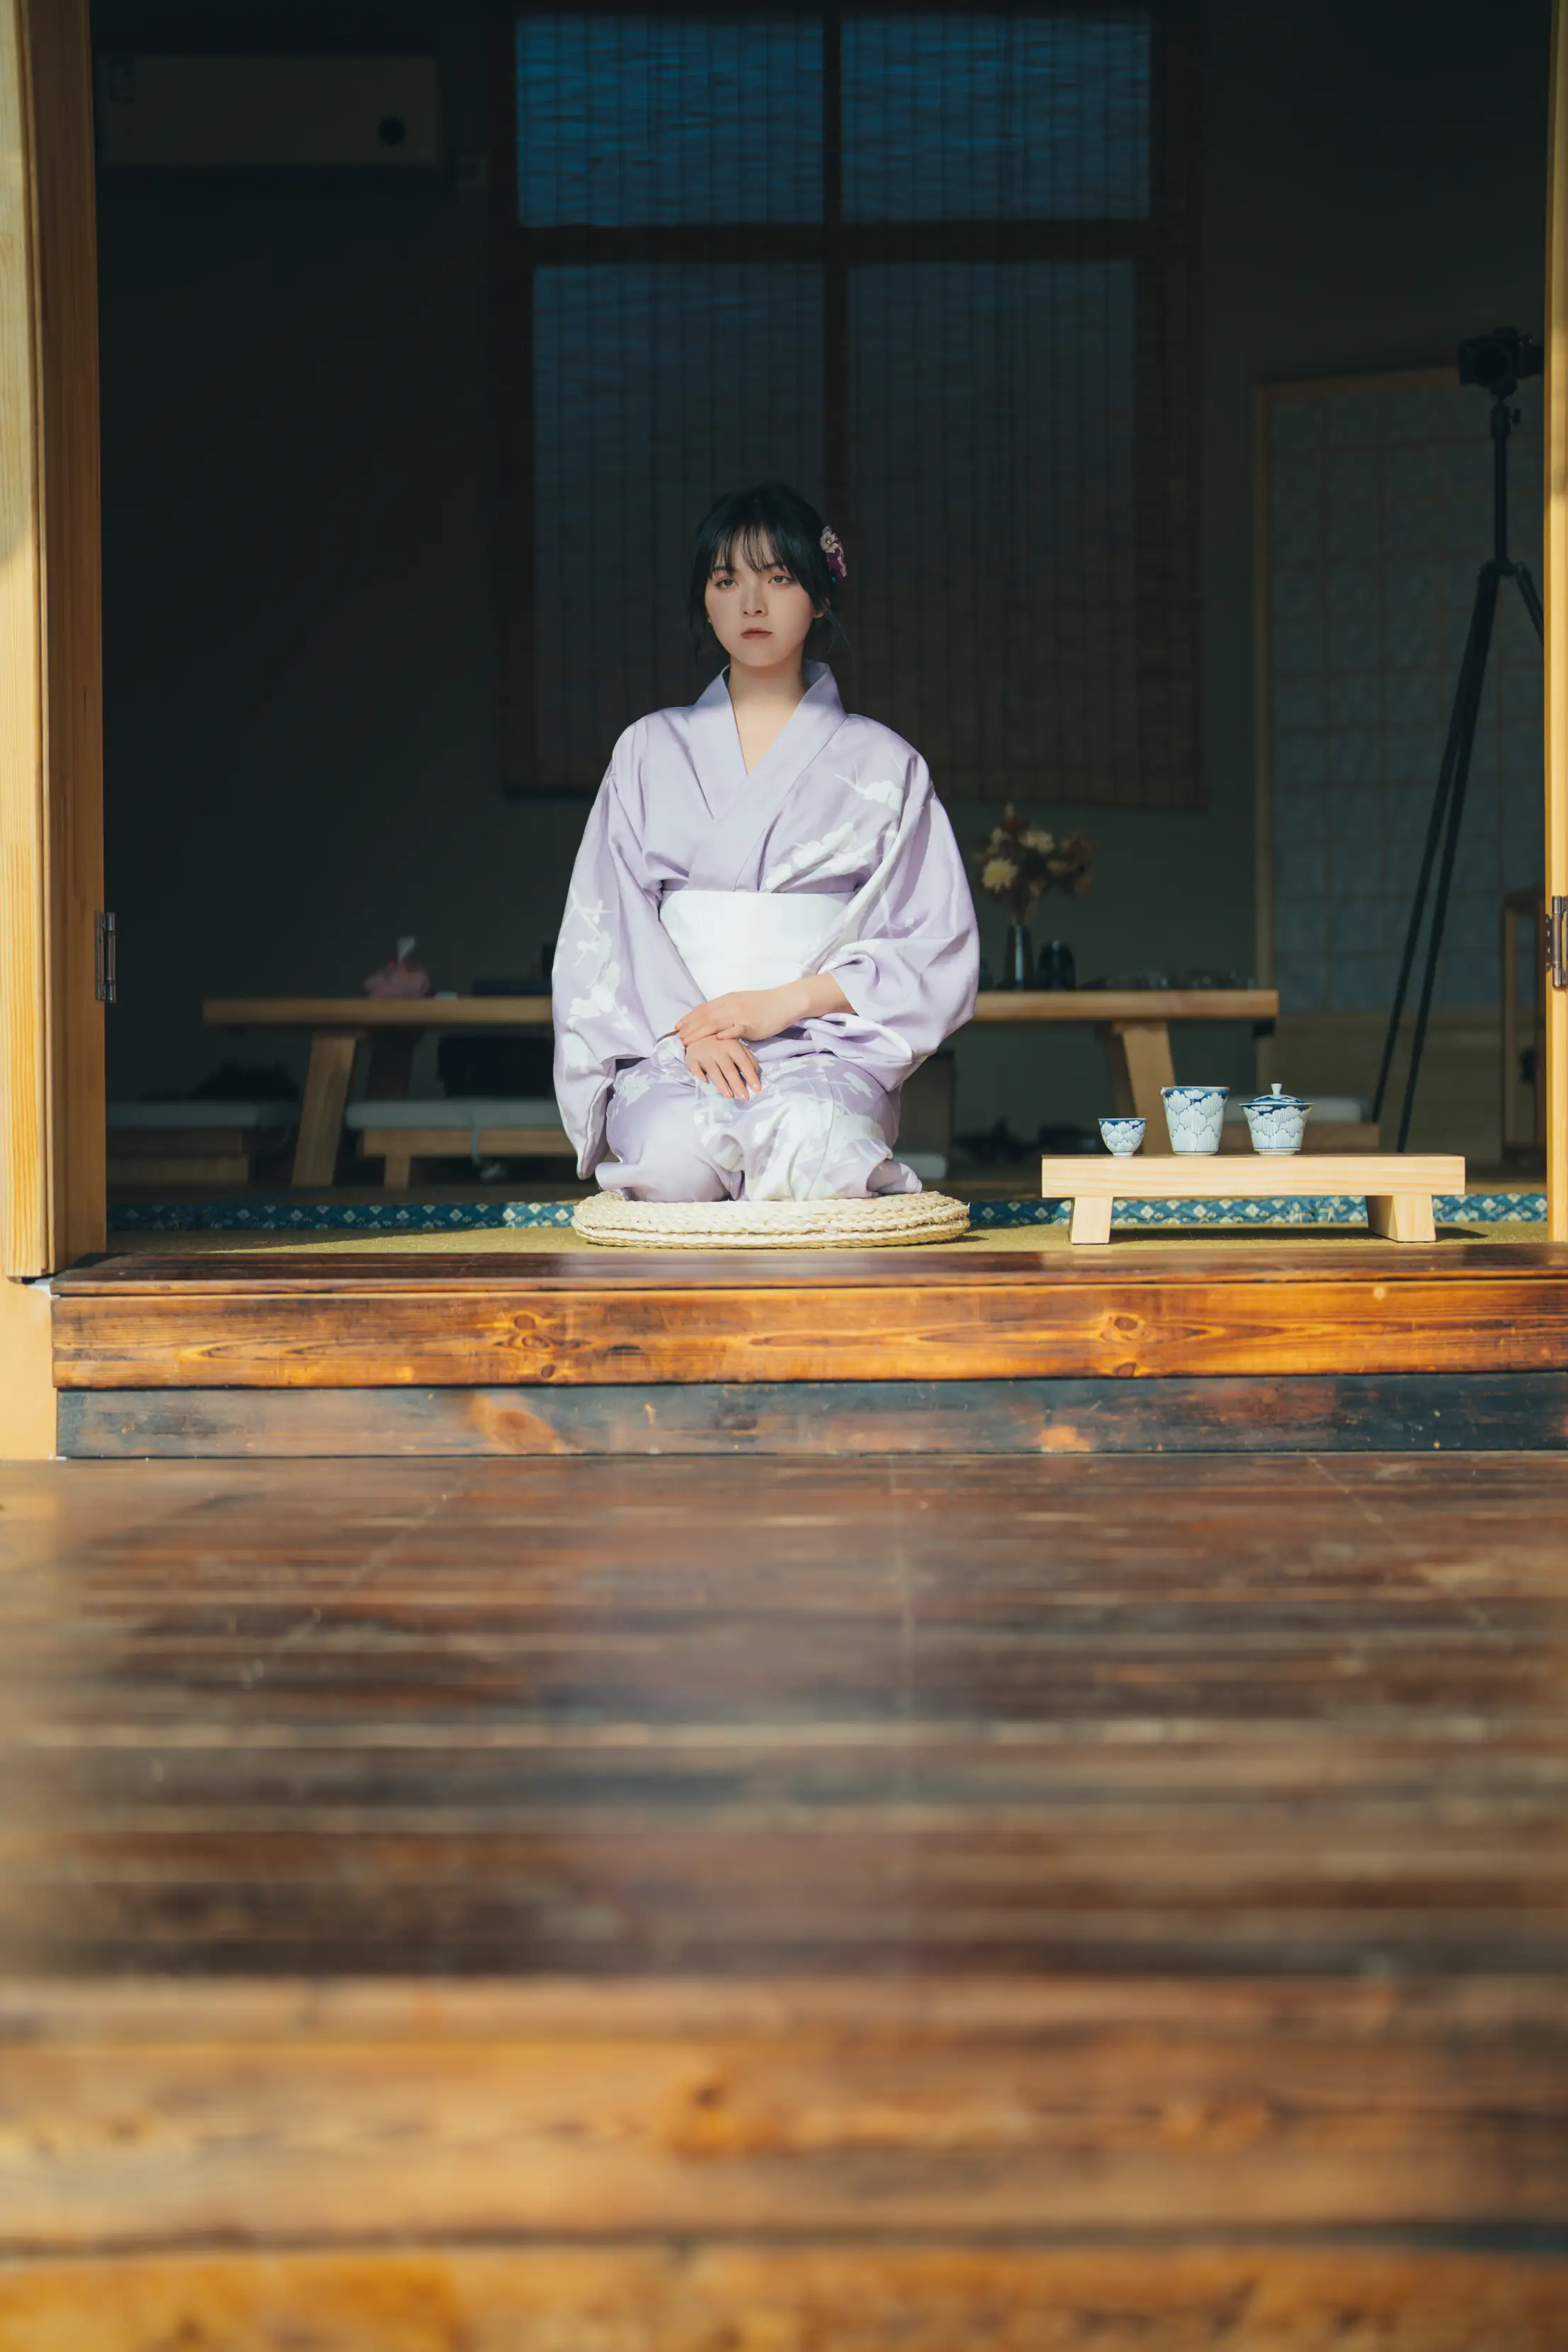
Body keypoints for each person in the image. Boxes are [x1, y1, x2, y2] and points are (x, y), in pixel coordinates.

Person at [552, 481, 979, 1202]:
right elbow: (608, 927)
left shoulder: (886, 764)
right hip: (676, 1041)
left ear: (819, 595)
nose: (753, 603)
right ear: (706, 599)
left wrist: (784, 1005)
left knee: (821, 1147)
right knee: (673, 1159)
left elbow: (931, 942)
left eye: (779, 579)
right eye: (728, 581)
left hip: (824, 1045)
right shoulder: (648, 750)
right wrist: (695, 1032)